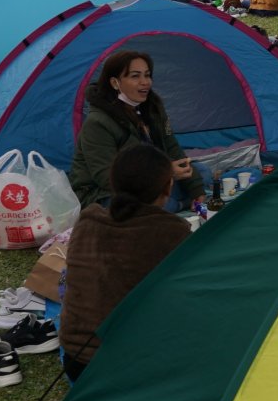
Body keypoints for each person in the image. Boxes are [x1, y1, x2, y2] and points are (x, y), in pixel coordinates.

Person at [58, 145, 190, 380]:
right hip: (130, 368)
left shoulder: (88, 219)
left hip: (75, 362)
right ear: (168, 187)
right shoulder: (173, 232)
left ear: (112, 182)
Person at [67, 52, 197, 209]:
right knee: (137, 206)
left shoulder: (153, 109)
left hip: (151, 181)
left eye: (147, 75)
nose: (145, 82)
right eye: (135, 76)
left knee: (201, 172)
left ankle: (172, 202)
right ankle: (178, 204)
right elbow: (107, 178)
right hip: (104, 193)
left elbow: (172, 148)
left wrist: (197, 190)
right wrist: (164, 175)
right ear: (115, 83)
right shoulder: (97, 123)